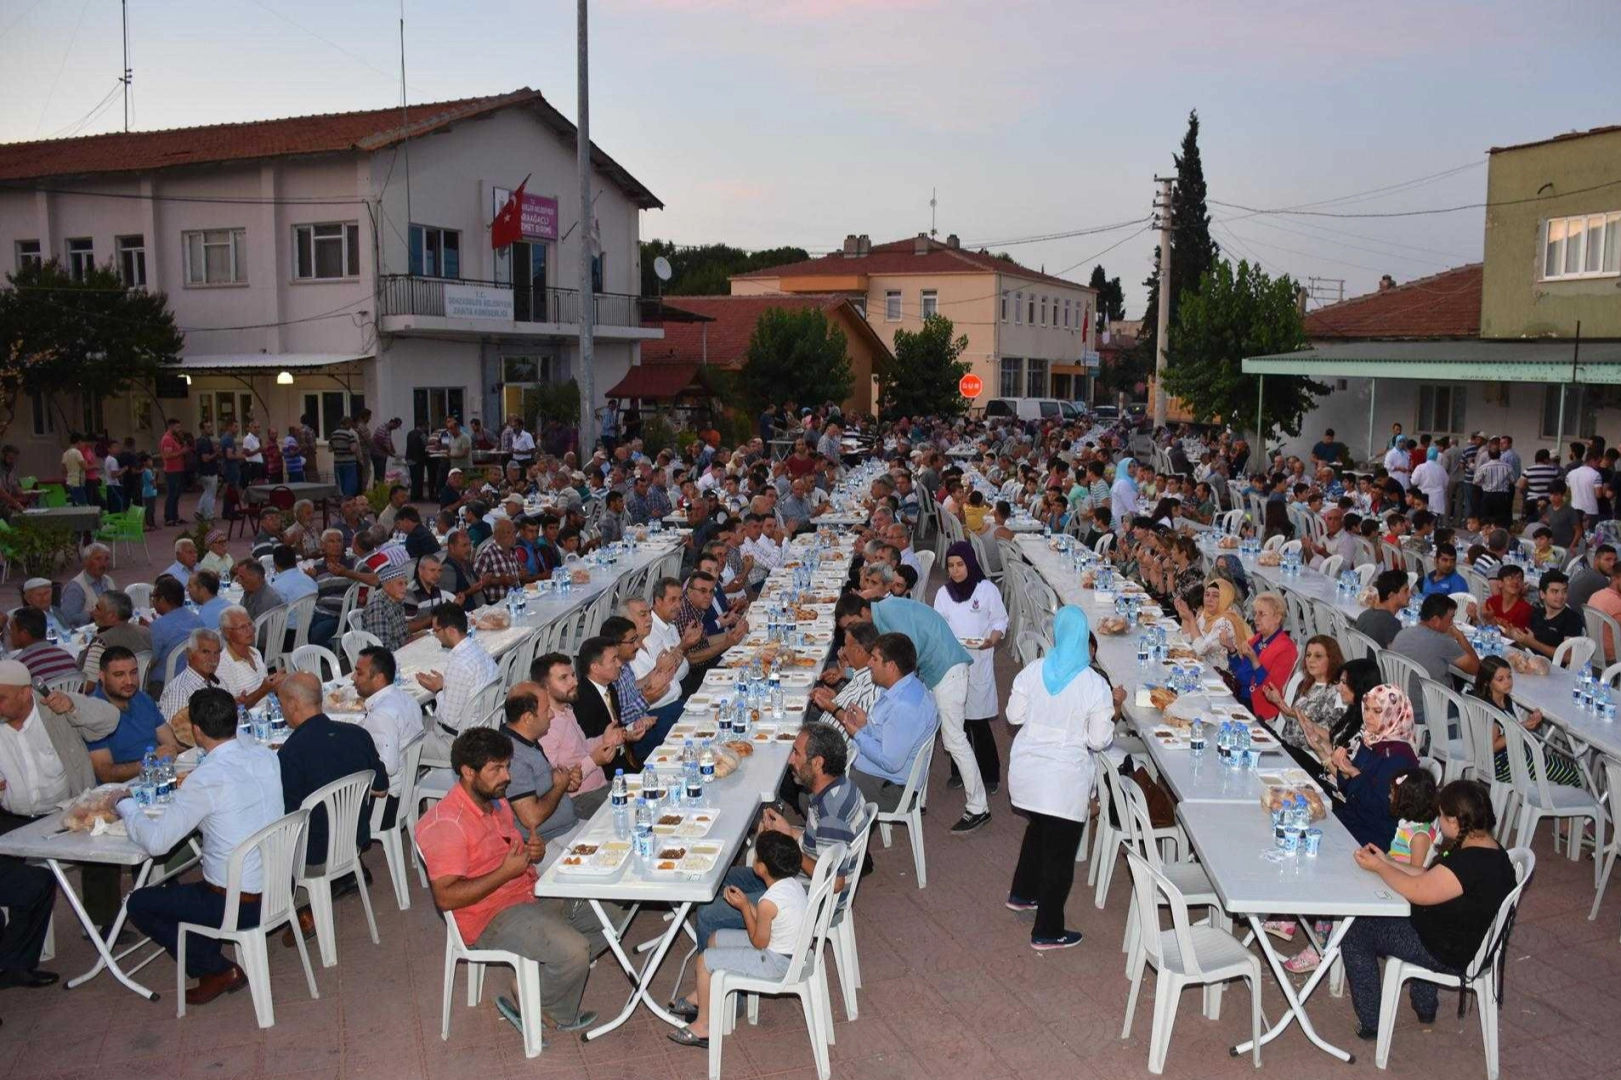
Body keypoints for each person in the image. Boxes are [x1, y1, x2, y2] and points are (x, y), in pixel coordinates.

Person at [415, 727, 606, 1036]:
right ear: (468, 772)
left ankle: (537, 986)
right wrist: (506, 872)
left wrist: (533, 852)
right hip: (489, 917)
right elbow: (446, 897)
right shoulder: (446, 824)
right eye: (497, 769)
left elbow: (513, 855)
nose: (507, 776)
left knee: (612, 910)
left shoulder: (495, 802)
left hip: (528, 894)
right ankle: (543, 1008)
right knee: (574, 950)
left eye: (506, 766)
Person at [118, 686, 284, 1005]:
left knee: (139, 903)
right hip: (278, 885)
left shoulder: (206, 779)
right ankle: (207, 950)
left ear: (195, 730)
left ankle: (214, 969)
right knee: (186, 892)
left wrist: (126, 804)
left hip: (240, 905)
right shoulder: (265, 755)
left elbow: (156, 843)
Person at [1341, 780, 1518, 1040]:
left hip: (1450, 951)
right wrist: (1387, 861)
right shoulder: (1491, 850)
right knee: (1416, 921)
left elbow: (1418, 890)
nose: (1438, 820)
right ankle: (1425, 1007)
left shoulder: (1468, 864)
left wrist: (1380, 868)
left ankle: (1372, 1022)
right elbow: (1429, 876)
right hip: (1464, 938)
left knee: (1357, 932)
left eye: (1442, 815)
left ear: (1455, 821)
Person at [688, 723, 866, 963]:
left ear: (817, 763)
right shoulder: (839, 787)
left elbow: (833, 881)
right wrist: (790, 832)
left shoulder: (831, 813)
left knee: (708, 915)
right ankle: (737, 945)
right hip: (798, 882)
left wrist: (788, 849)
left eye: (797, 753)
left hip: (805, 898)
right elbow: (826, 847)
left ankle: (723, 980)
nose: (791, 759)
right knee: (721, 877)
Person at [1005, 605, 1117, 951]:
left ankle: (1023, 893)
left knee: (1037, 830)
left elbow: (1013, 715)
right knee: (1059, 855)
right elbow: (1099, 740)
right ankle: (1048, 930)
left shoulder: (1034, 670)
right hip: (1064, 779)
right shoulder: (1094, 685)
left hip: (1026, 772)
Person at [834, 593, 985, 833]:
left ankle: (979, 807)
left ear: (863, 613)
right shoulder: (882, 614)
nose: (852, 631)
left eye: (852, 624)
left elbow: (901, 668)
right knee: (921, 734)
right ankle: (917, 797)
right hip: (935, 671)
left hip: (947, 669)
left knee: (954, 740)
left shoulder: (889, 616)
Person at [668, 831, 808, 1050]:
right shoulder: (792, 885)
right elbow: (768, 924)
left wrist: (744, 907)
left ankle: (704, 1027)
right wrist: (746, 904)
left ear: (762, 868)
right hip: (785, 949)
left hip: (776, 962)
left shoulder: (768, 902)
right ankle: (702, 997)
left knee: (704, 961)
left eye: (757, 856)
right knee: (715, 938)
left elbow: (758, 943)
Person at [932, 542, 1008, 794]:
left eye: (960, 565)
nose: (955, 570)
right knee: (955, 721)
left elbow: (999, 619)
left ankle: (989, 774)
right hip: (952, 662)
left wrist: (993, 639)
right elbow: (938, 625)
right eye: (951, 566)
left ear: (970, 563)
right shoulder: (944, 593)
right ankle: (958, 771)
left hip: (979, 660)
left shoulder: (986, 590)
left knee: (978, 722)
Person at [833, 633, 938, 812]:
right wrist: (865, 724)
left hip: (891, 790)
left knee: (814, 792)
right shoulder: (905, 688)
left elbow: (890, 762)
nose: (869, 663)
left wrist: (857, 734)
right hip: (883, 776)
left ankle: (839, 832)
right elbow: (891, 735)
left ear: (890, 667)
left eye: (874, 659)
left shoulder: (905, 707)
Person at [1327, 684, 1422, 849]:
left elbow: (1382, 808)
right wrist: (1345, 770)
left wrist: (1354, 773)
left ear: (1394, 714)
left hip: (1373, 833)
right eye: (1367, 709)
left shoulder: (1399, 756)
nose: (1368, 717)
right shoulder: (1373, 739)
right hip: (1352, 818)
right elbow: (1349, 790)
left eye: (1377, 711)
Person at [1471, 655, 1583, 788]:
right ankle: (1567, 803)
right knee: (1569, 773)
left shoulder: (1504, 699)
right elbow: (1492, 746)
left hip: (1513, 755)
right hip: (1502, 765)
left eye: (1509, 676)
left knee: (1566, 765)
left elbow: (1509, 726)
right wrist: (1521, 726)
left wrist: (1529, 721)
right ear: (1487, 683)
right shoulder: (1489, 709)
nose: (1507, 682)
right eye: (1500, 679)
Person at [415, 604, 498, 765]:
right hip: (482, 728)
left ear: (451, 630)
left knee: (400, 740)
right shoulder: (478, 650)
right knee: (411, 721)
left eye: (436, 631)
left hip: (459, 743)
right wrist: (445, 686)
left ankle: (401, 788)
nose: (435, 635)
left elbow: (448, 720)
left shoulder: (459, 664)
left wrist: (439, 690)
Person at [85, 645, 178, 782]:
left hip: (158, 776)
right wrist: (150, 762)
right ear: (102, 677)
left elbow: (171, 743)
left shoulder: (143, 699)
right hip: (123, 789)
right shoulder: (93, 712)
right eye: (119, 675)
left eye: (133, 673)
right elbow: (105, 773)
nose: (129, 681)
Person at [500, 683, 579, 843]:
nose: (551, 715)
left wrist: (565, 779)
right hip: (547, 842)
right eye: (546, 710)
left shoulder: (528, 739)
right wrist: (559, 787)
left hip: (566, 829)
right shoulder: (513, 757)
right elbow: (531, 818)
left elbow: (540, 784)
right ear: (528, 718)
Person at [1260, 634, 1347, 765]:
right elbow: (1293, 722)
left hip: (1309, 755)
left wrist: (1303, 720)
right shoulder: (1308, 684)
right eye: (1308, 655)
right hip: (1288, 745)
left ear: (1332, 659)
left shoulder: (1336, 692)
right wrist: (1278, 701)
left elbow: (1332, 737)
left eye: (1318, 656)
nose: (1311, 660)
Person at [570, 636, 642, 776]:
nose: (619, 664)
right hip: (606, 771)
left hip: (625, 759)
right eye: (613, 660)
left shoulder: (609, 687)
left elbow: (616, 729)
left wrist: (627, 734)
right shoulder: (583, 701)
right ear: (595, 667)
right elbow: (588, 746)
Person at [1227, 592, 1297, 722]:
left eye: (1261, 614)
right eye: (1255, 614)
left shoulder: (1286, 648)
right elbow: (1240, 674)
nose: (1256, 618)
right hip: (1241, 698)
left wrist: (1254, 661)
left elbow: (1271, 688)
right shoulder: (1257, 640)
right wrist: (1232, 651)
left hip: (1259, 708)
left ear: (1277, 618)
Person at [1390, 594, 1480, 682]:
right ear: (1435, 620)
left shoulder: (1402, 633)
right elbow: (1475, 668)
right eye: (1450, 619)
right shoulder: (1443, 641)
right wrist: (1460, 636)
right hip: (1434, 696)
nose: (1452, 623)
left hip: (1400, 691)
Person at [1175, 579, 1250, 668]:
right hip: (1204, 667)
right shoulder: (1207, 614)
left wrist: (1191, 619)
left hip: (1221, 676)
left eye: (1215, 596)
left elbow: (1199, 650)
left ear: (1224, 598)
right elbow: (1187, 639)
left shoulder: (1226, 622)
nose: (1209, 599)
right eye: (1207, 594)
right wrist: (1185, 617)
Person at [216, 605, 279, 707]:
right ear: (227, 633)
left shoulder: (255, 653)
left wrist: (276, 684)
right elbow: (232, 709)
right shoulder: (223, 664)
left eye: (250, 624)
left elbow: (268, 692)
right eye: (242, 627)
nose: (249, 630)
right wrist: (264, 689)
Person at [148, 575, 202, 687]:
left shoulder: (158, 626)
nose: (152, 600)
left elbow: (151, 661)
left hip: (164, 684)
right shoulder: (196, 619)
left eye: (153, 597)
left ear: (162, 599)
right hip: (194, 679)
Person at [8, 607, 81, 684]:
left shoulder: (19, 665)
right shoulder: (67, 657)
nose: (10, 633)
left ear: (24, 634)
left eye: (12, 629)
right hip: (72, 696)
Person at [61, 543, 115, 627]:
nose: (103, 564)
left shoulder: (108, 580)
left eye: (106, 559)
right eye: (98, 559)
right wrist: (92, 615)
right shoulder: (75, 587)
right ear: (86, 561)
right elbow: (67, 619)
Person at [1355, 569, 1411, 649]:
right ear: (1391, 595)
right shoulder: (1392, 624)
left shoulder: (1364, 615)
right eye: (1406, 591)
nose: (1410, 595)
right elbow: (1394, 659)